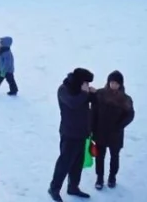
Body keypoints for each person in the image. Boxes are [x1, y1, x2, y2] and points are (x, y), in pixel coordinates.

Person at [48, 67, 96, 201]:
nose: (88, 86)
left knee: (77, 164)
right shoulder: (63, 90)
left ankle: (73, 187)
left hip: (82, 134)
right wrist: (86, 94)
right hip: (69, 134)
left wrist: (95, 93)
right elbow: (73, 103)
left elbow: (96, 100)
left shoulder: (82, 91)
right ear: (79, 82)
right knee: (64, 163)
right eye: (86, 83)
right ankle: (54, 188)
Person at [91, 71, 135, 190]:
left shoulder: (126, 99)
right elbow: (93, 112)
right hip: (100, 132)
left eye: (116, 83)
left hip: (116, 134)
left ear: (120, 84)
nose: (113, 85)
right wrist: (92, 128)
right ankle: (99, 178)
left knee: (114, 157)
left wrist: (119, 126)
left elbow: (130, 115)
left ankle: (112, 177)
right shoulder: (100, 94)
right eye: (112, 82)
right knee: (100, 157)